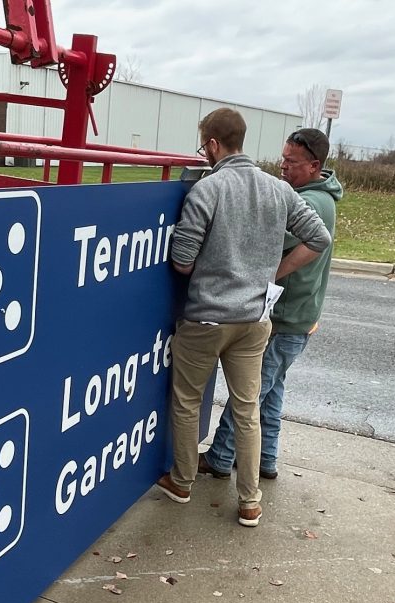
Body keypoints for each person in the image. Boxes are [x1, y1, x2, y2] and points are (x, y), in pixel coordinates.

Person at [155, 109, 331, 527]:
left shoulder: (207, 190)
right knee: (247, 408)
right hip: (255, 321)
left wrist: (202, 264)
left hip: (207, 320)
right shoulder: (280, 190)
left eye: (204, 147)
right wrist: (272, 271)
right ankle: (250, 501)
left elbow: (182, 261)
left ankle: (181, 482)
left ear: (214, 145)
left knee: (186, 402)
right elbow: (319, 237)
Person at [200, 128, 343, 482]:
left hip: (284, 315)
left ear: (313, 166)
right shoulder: (318, 196)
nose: (282, 166)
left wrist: (270, 273)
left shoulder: (310, 203)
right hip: (298, 315)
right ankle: (266, 459)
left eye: (290, 162)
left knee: (249, 394)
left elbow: (265, 237)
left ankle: (220, 458)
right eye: (282, 158)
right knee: (271, 391)